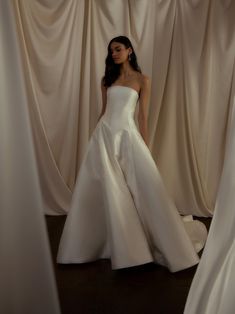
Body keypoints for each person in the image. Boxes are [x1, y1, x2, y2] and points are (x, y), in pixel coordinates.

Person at [57, 36, 207, 272]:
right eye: (111, 51)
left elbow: (142, 117)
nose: (114, 53)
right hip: (104, 135)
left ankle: (139, 245)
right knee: (107, 190)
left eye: (118, 49)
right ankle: (107, 244)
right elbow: (104, 111)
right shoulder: (107, 80)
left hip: (127, 136)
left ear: (129, 50)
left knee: (139, 189)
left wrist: (144, 146)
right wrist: (93, 139)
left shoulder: (142, 79)